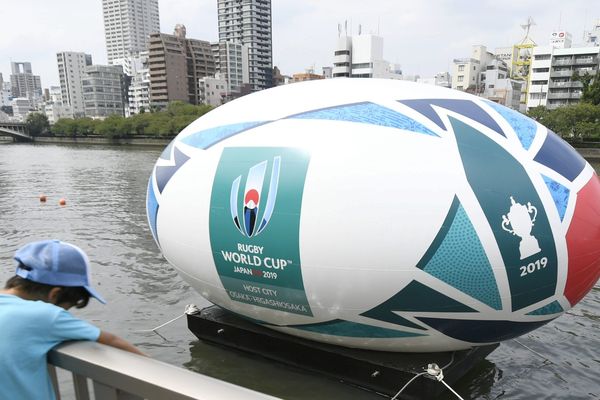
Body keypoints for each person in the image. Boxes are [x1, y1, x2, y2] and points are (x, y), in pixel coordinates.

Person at [0, 240, 146, 400]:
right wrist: (153, 368)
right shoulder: (45, 315)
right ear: (54, 294)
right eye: (67, 308)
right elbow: (112, 340)